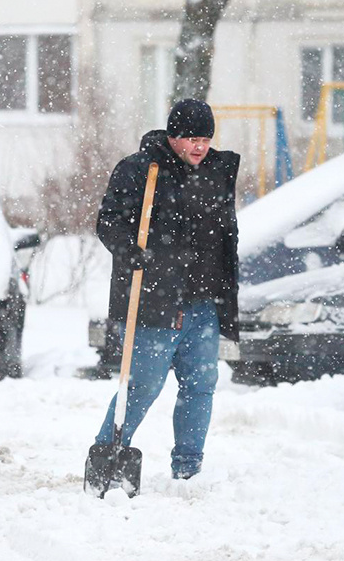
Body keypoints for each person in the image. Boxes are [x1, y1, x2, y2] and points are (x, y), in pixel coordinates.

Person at [92, 99, 240, 480]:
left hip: (204, 304)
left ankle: (189, 468)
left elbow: (225, 236)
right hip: (157, 301)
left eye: (206, 139)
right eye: (192, 138)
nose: (200, 146)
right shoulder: (141, 169)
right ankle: (109, 452)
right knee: (142, 386)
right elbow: (109, 221)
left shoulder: (215, 173)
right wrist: (130, 251)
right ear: (174, 136)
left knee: (201, 386)